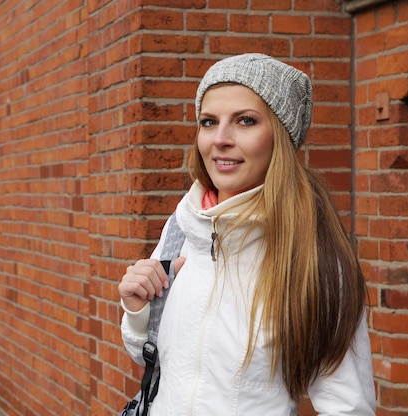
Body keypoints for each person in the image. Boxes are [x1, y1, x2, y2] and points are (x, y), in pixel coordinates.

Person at [118, 53, 376, 415]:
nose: (220, 139)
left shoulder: (313, 260)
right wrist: (138, 311)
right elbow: (160, 361)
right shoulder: (182, 228)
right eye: (209, 122)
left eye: (245, 120)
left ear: (281, 138)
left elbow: (347, 407)